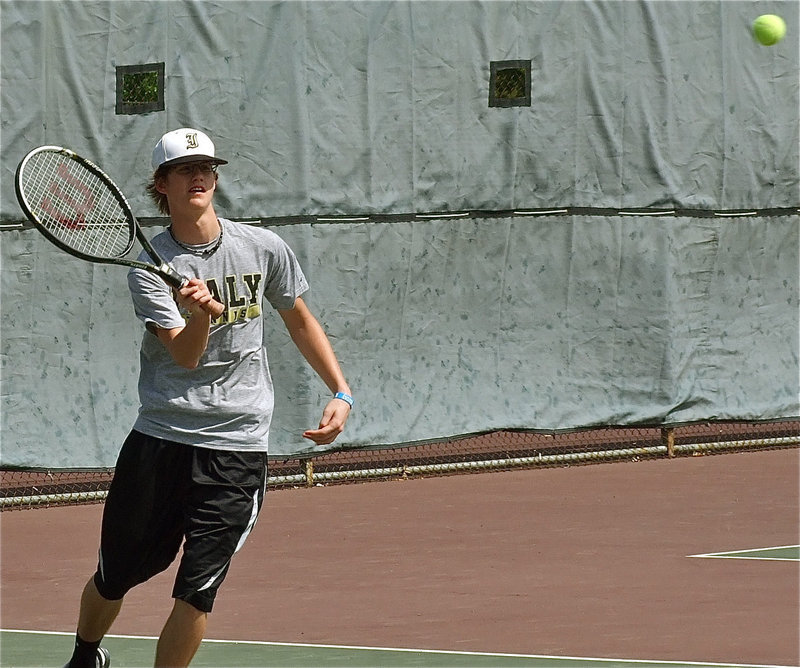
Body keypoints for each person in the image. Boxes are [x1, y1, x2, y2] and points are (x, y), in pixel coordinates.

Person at [63, 128, 353, 668]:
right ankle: (86, 655)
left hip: (237, 448)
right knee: (115, 574)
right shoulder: (148, 270)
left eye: (208, 168)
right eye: (184, 169)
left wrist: (341, 391)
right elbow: (184, 357)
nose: (199, 177)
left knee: (197, 589)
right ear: (162, 184)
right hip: (161, 440)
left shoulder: (264, 247)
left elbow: (299, 319)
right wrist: (198, 314)